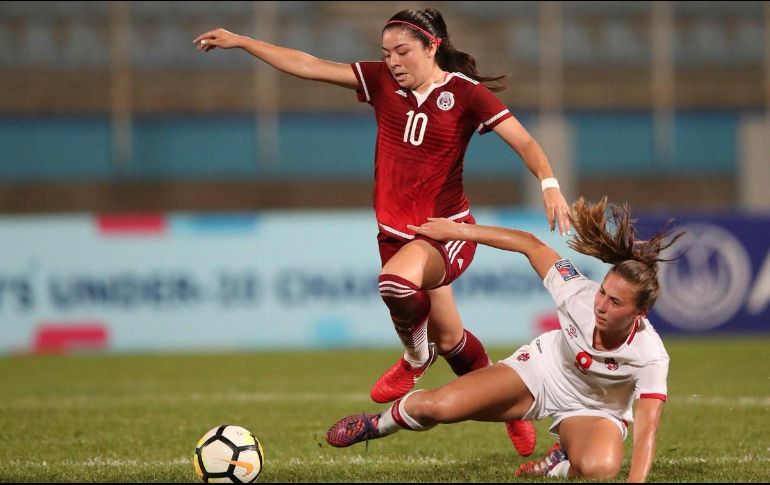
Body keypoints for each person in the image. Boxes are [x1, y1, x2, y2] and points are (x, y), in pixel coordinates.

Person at [194, 8, 570, 456]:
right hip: (396, 234)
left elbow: (525, 142)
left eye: (402, 51)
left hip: (444, 232)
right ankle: (510, 412)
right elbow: (309, 64)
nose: (392, 61)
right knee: (451, 339)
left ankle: (415, 357)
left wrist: (549, 183)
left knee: (395, 284)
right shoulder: (380, 82)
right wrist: (243, 41)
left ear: (432, 47)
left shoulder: (465, 95)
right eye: (386, 52)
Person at [326, 197, 681, 483]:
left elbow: (647, 427)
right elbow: (529, 244)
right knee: (435, 408)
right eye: (603, 292)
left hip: (596, 411)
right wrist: (458, 231)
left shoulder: (650, 355)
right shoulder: (577, 293)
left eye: (615, 302)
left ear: (639, 314)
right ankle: (376, 424)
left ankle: (559, 462)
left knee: (599, 469)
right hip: (540, 375)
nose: (601, 304)